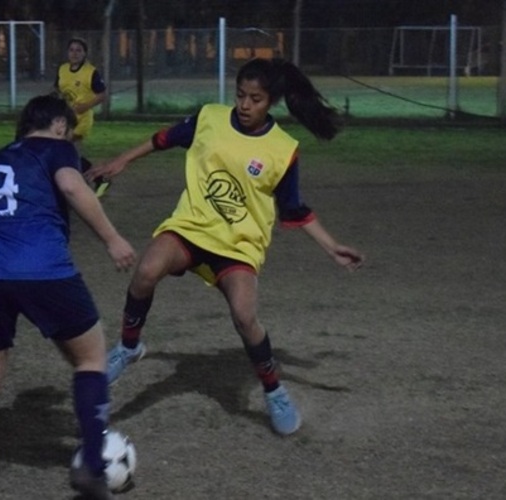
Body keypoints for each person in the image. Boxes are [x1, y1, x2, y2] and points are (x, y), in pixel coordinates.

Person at [85, 57, 365, 437]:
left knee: (245, 316)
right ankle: (129, 346)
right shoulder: (209, 119)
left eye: (256, 99)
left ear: (272, 102)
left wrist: (332, 247)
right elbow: (163, 139)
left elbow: (295, 209)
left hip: (238, 246)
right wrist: (121, 161)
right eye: (240, 96)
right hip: (191, 228)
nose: (245, 105)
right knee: (146, 271)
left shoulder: (282, 150)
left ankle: (273, 390)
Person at [0, 94, 136, 500]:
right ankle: (94, 470)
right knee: (90, 358)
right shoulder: (58, 148)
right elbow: (70, 185)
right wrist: (112, 238)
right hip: (43, 269)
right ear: (60, 126)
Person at [54, 37, 112, 197]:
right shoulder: (62, 69)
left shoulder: (90, 72)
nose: (74, 53)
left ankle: (85, 184)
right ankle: (98, 178)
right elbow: (58, 90)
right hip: (65, 119)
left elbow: (102, 95)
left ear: (85, 53)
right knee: (69, 154)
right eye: (72, 50)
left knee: (66, 150)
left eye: (78, 50)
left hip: (82, 120)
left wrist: (86, 106)